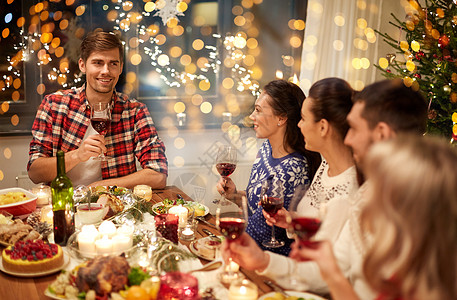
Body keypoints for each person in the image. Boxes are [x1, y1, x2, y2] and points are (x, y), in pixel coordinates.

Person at [221, 79, 427, 299]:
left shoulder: (365, 197)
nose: (347, 137)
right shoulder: (347, 180)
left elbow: (330, 275)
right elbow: (333, 264)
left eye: (354, 128)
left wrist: (265, 260)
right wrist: (273, 247)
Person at [291, 135, 457, 300]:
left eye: (378, 188)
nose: (365, 196)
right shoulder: (412, 268)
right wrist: (332, 272)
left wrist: (333, 274)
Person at [27, 31, 167, 189]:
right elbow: (35, 172)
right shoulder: (54, 105)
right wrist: (77, 155)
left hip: (113, 206)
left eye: (113, 63)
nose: (106, 71)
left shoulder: (135, 111)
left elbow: (158, 175)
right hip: (65, 204)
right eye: (98, 63)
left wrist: (99, 187)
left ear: (120, 68)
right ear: (82, 65)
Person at [216, 79, 321, 256]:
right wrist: (234, 195)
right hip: (250, 248)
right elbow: (256, 206)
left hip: (268, 260)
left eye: (258, 110)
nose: (251, 116)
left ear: (281, 118)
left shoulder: (293, 169)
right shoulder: (267, 148)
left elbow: (261, 232)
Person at [264, 77, 358, 245]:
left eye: (303, 118)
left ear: (323, 127)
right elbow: (313, 224)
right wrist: (291, 222)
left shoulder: (348, 193)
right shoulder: (326, 166)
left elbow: (321, 257)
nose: (299, 125)